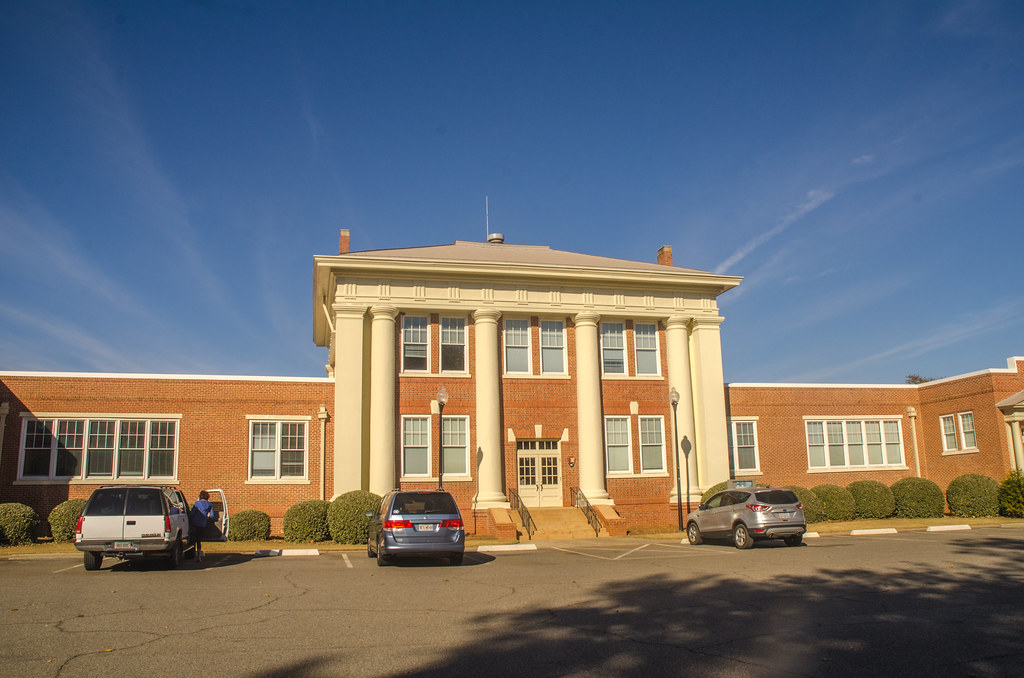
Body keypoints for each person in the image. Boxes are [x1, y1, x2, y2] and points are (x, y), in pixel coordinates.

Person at [190, 490, 215, 562]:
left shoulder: (197, 503)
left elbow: (192, 513)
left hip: (194, 523)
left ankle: (193, 553)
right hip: (203, 523)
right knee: (199, 539)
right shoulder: (209, 505)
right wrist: (206, 517)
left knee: (193, 538)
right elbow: (212, 515)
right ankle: (198, 555)